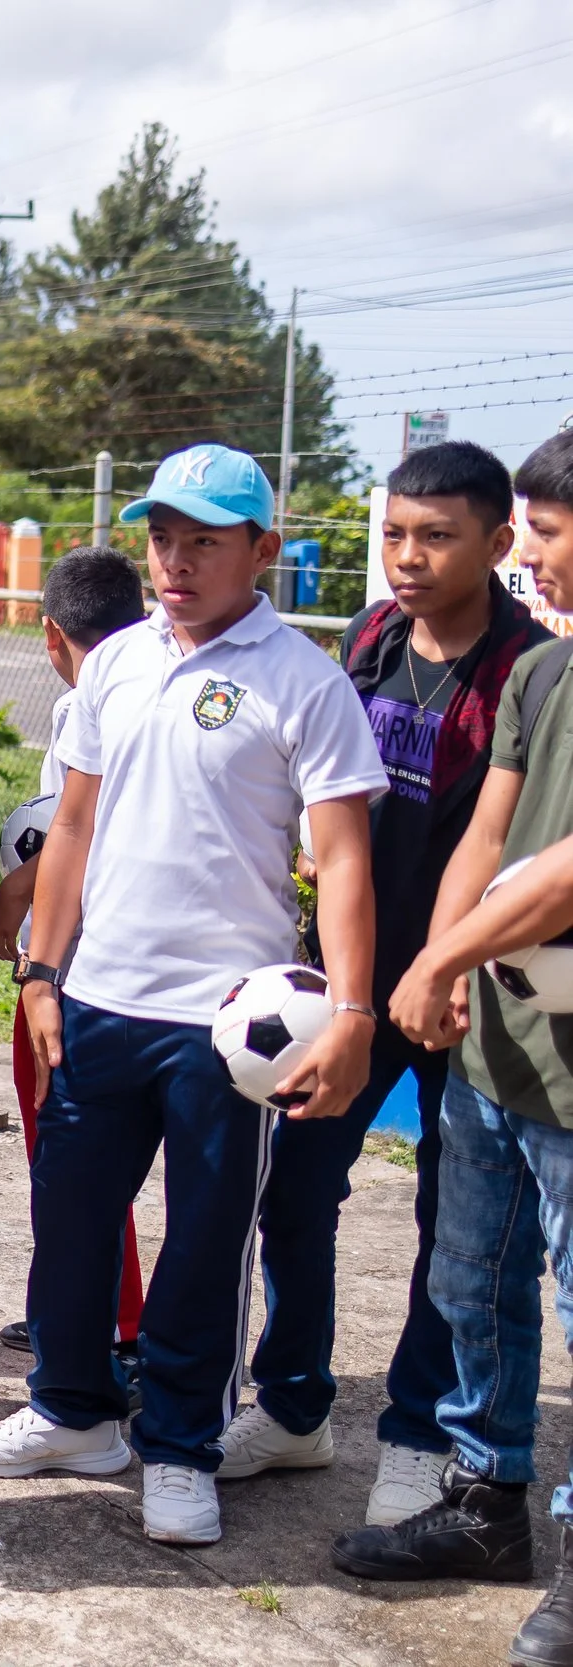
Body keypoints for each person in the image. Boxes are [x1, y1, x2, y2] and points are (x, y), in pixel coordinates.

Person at [0, 443, 386, 1552]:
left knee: (199, 1243)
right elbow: (73, 827)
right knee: (71, 1220)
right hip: (97, 997)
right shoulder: (114, 666)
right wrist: (44, 972)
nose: (176, 561)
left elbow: (339, 861)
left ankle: (183, 1444)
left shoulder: (304, 680)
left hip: (226, 1025)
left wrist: (350, 1010)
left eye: (203, 539)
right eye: (161, 538)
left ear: (262, 552)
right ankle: (68, 1411)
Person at [229, 441, 548, 1526]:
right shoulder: (367, 639)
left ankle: (415, 1429)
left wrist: (443, 959)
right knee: (296, 1187)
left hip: (459, 991)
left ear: (498, 543)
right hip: (349, 981)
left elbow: (503, 838)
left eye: (435, 536)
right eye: (394, 535)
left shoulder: (526, 670)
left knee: (450, 1228)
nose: (405, 558)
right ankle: (294, 1401)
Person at [333, 432, 573, 1667]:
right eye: (527, 527)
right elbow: (488, 829)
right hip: (492, 1034)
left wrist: (434, 960)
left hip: (551, 1051)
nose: (529, 553)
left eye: (543, 529)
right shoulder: (546, 676)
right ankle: (486, 1505)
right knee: (473, 1278)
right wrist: (435, 967)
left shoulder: (524, 656)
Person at [0, 547, 149, 1376]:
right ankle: (92, 1307)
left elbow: (95, 823)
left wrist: (17, 889)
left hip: (78, 976)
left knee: (74, 1151)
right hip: (83, 966)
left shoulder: (110, 706)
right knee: (77, 1157)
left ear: (50, 637)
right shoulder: (124, 695)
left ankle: (110, 1326)